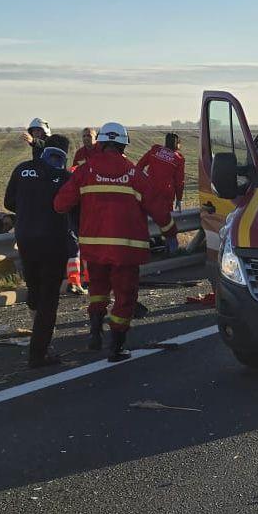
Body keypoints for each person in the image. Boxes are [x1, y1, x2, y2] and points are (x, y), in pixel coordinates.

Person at [53, 121, 178, 361]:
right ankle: (117, 347)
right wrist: (170, 232)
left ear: (101, 143)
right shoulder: (133, 173)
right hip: (126, 249)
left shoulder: (85, 170)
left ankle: (95, 334)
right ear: (123, 144)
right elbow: (158, 208)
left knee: (98, 290)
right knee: (125, 296)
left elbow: (60, 204)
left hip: (94, 247)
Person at [3, 133, 76, 367]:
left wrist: (29, 204)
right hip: (53, 242)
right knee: (49, 298)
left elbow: (9, 203)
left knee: (34, 287)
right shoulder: (65, 177)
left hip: (25, 238)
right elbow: (73, 208)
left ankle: (37, 332)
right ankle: (39, 353)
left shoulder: (22, 169)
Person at [136, 132, 187, 216]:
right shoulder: (178, 159)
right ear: (177, 144)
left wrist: (141, 182)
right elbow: (179, 182)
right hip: (166, 194)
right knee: (166, 219)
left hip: (149, 189)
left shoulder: (155, 150)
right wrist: (179, 199)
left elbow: (139, 166)